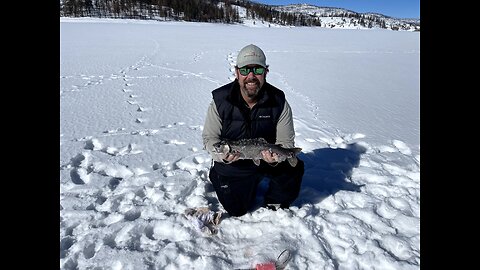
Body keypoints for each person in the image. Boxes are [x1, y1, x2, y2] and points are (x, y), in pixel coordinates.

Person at [202, 44, 305, 217]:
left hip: (266, 160)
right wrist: (222, 156)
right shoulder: (221, 101)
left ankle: (275, 201)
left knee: (292, 169)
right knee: (237, 210)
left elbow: (286, 143)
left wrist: (275, 159)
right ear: (236, 72)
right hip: (234, 165)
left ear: (266, 71)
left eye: (257, 70)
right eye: (245, 70)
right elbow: (209, 139)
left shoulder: (279, 102)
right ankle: (221, 177)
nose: (251, 76)